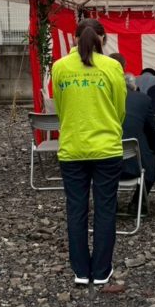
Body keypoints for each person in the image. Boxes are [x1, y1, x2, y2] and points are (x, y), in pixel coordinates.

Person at [52, 19, 127, 286]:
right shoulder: (112, 67)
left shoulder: (60, 67)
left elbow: (60, 107)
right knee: (105, 209)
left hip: (72, 147)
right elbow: (120, 107)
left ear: (73, 39)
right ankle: (102, 268)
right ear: (103, 39)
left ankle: (81, 271)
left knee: (76, 209)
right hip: (106, 147)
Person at [109, 54, 155, 215]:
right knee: (153, 163)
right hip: (136, 163)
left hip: (106, 160)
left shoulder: (105, 98)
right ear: (134, 87)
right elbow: (152, 130)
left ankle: (110, 202)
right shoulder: (143, 99)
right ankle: (138, 202)